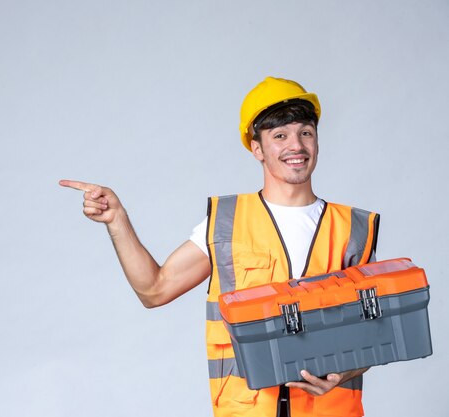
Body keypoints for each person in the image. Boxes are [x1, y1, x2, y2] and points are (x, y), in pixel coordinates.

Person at [59, 76, 380, 417]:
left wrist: (342, 372)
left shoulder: (353, 229)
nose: (296, 146)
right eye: (280, 135)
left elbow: (375, 333)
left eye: (306, 132)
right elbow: (154, 290)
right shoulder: (226, 223)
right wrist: (117, 220)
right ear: (257, 148)